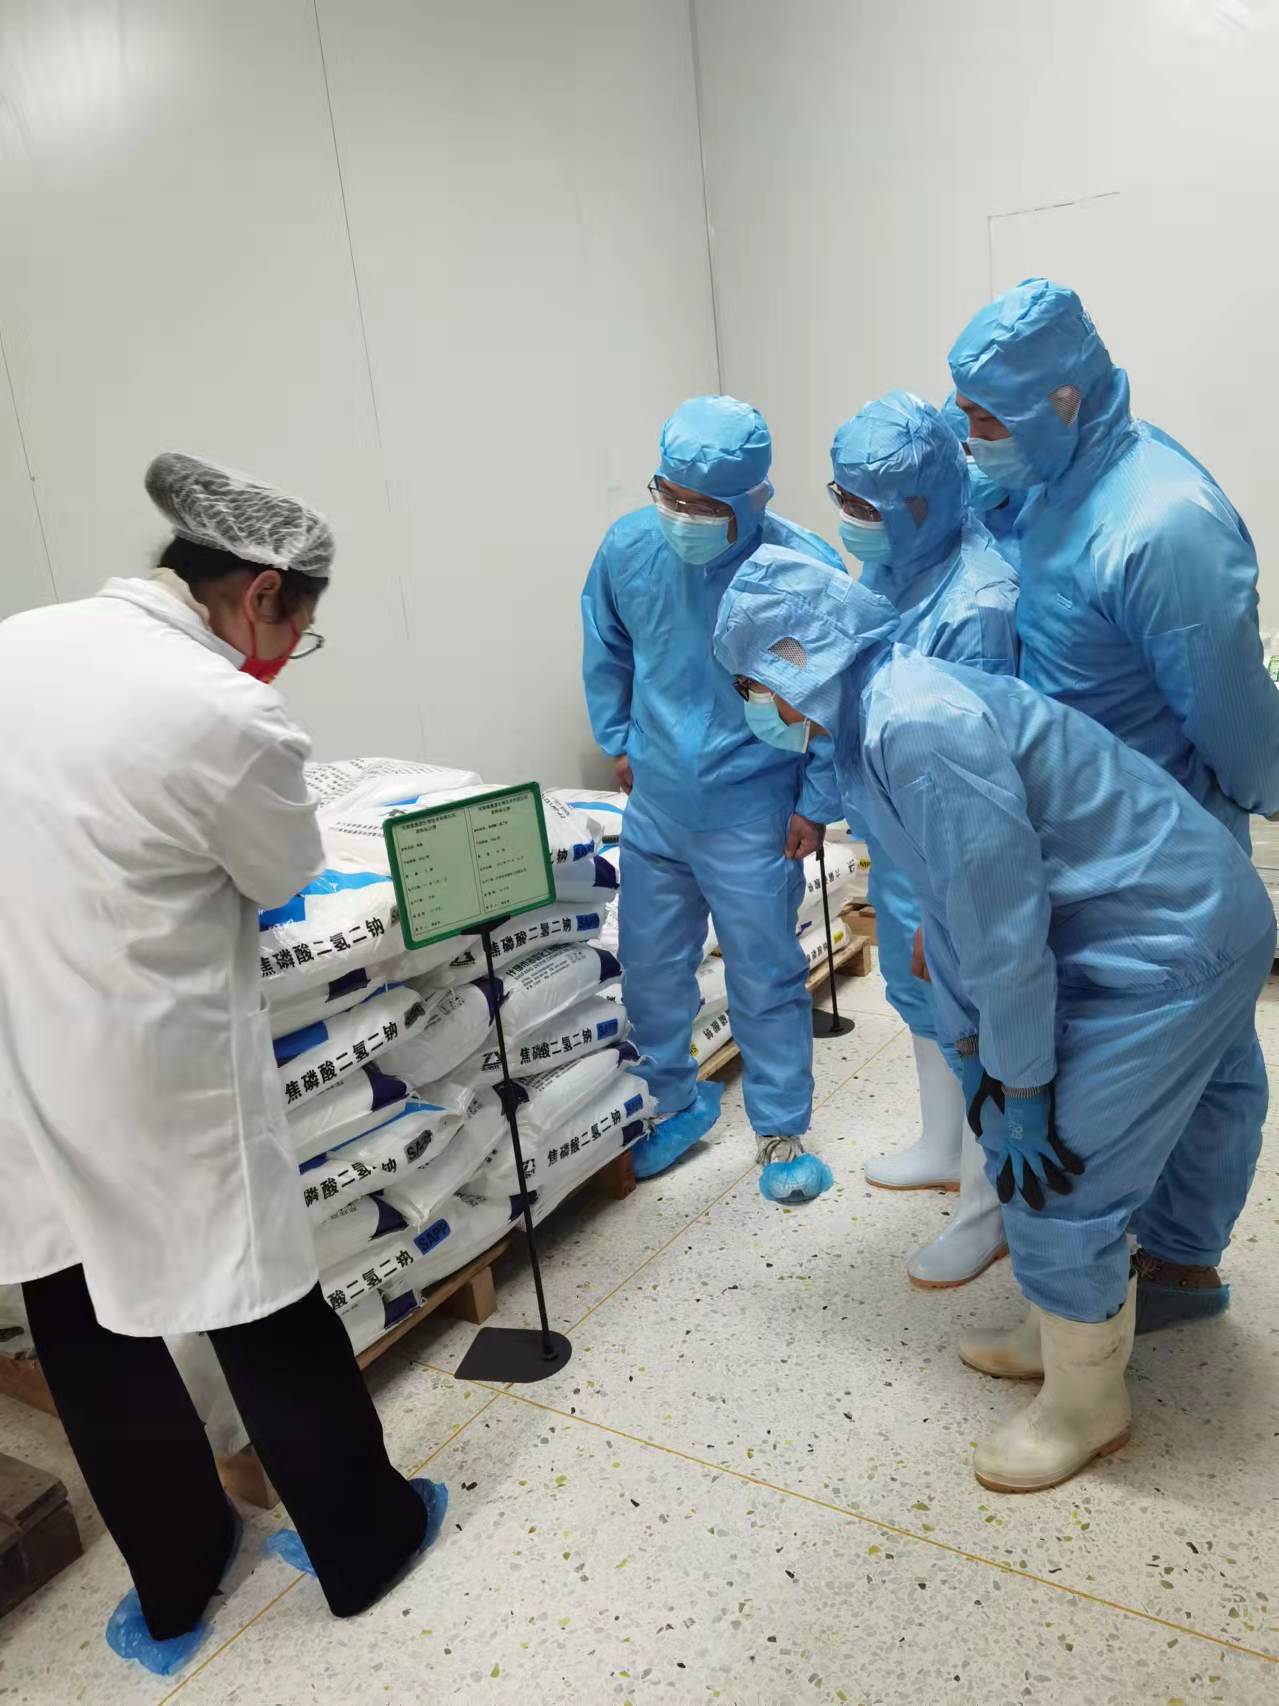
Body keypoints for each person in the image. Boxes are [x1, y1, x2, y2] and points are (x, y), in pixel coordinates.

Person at [0, 454, 442, 1675]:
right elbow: (279, 869)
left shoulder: (18, 641)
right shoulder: (223, 710)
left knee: (75, 1303)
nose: (286, 656)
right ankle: (365, 1541)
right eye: (298, 632)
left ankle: (179, 1572)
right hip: (152, 1053)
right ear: (260, 596)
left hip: (18, 1042)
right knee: (256, 1294)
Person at [713, 548, 1275, 1492]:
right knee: (1117, 1133)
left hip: (1171, 938)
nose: (751, 704)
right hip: (1170, 906)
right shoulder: (873, 713)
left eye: (749, 683)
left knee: (1060, 1176)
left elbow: (1004, 935)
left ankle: (1086, 1406)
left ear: (794, 657)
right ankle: (1078, 1324)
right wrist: (971, 1034)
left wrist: (1019, 1080)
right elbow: (954, 899)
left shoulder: (915, 726)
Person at [949, 278, 1279, 1330]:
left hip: (1169, 848)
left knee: (1206, 1058)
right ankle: (1129, 1250)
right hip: (1084, 835)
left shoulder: (1161, 521)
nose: (973, 438)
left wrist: (1259, 797)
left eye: (987, 419)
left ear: (1061, 400)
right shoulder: (1055, 483)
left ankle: (1181, 1263)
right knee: (1121, 1055)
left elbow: (1233, 714)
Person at [581, 395, 845, 1202]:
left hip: (752, 808)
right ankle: (672, 1099)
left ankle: (780, 1129)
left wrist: (815, 800)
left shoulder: (800, 569)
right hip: (658, 802)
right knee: (651, 967)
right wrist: (619, 739)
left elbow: (834, 694)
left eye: (704, 507)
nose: (681, 517)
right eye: (669, 495)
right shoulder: (630, 546)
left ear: (753, 499)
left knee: (764, 975)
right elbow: (606, 643)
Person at [826, 392, 1018, 1289]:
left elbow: (970, 781)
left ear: (923, 500)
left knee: (973, 1011)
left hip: (950, 841)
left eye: (865, 504)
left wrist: (946, 899)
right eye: (841, 497)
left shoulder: (976, 601)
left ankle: (988, 1208)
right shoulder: (889, 565)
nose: (850, 519)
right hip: (895, 826)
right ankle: (942, 1145)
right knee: (917, 994)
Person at [940, 389, 1024, 568]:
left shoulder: (1048, 519)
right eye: (962, 453)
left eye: (981, 448)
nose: (974, 462)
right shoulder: (961, 521)